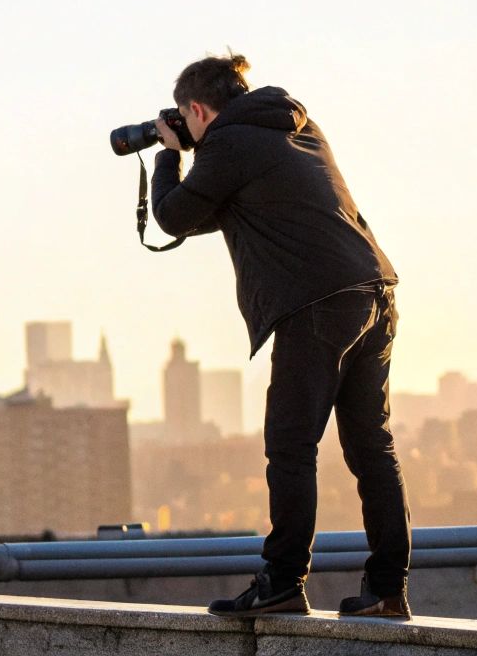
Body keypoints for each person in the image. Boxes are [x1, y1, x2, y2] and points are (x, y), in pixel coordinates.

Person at [150, 54, 412, 619]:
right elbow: (210, 214)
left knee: (290, 447)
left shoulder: (228, 143)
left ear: (197, 109)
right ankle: (389, 590)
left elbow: (172, 217)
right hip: (374, 290)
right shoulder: (296, 128)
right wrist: (189, 159)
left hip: (316, 302)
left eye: (185, 119)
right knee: (372, 448)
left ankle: (283, 582)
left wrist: (169, 157)